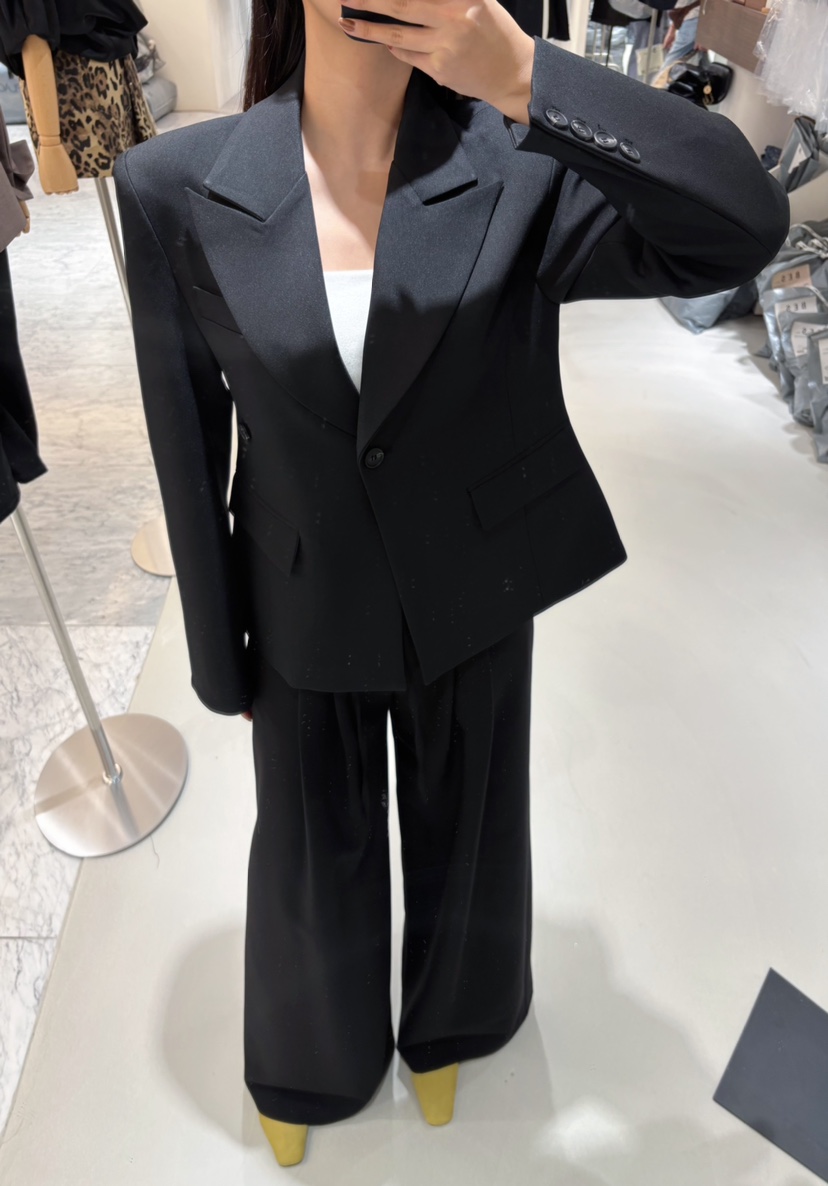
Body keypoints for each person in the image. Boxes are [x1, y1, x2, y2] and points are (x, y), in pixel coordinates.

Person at [113, 0, 789, 1168]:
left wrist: (527, 75)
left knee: (472, 830)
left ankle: (455, 1028)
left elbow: (741, 222)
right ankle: (309, 1062)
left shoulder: (519, 165)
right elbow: (188, 441)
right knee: (311, 854)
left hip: (473, 588)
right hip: (301, 600)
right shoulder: (175, 185)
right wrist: (222, 662)